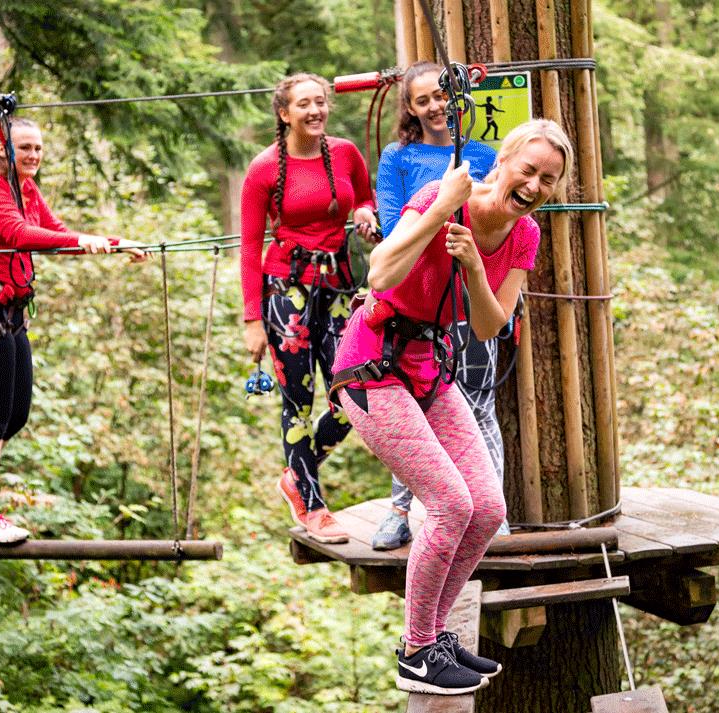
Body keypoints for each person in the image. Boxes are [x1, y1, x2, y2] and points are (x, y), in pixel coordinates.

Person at [332, 120, 573, 694]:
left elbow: (490, 324)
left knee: (487, 507)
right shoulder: (440, 197)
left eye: (548, 179)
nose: (534, 184)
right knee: (448, 501)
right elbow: (382, 273)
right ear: (504, 160)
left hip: (429, 368)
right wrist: (442, 209)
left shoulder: (524, 236)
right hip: (373, 365)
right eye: (528, 169)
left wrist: (471, 267)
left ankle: (434, 635)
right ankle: (417, 651)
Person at [0, 119, 145, 544]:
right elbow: (20, 235)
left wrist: (112, 244)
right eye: (24, 147)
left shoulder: (24, 190)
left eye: (39, 148)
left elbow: (56, 233)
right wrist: (85, 240)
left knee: (14, 415)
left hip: (8, 314)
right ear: (3, 149)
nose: (34, 155)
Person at [371, 62, 507, 551]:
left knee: (480, 400)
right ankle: (400, 510)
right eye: (424, 99)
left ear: (461, 98)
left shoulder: (482, 155)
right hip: (417, 294)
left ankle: (493, 512)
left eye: (443, 96)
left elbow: (496, 220)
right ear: (410, 107)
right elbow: (392, 223)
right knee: (415, 402)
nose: (435, 107)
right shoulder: (399, 157)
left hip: (469, 289)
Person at [239, 72, 379, 543]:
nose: (316, 110)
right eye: (304, 104)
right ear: (284, 114)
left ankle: (298, 472)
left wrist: (363, 211)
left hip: (338, 284)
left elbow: (365, 196)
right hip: (285, 290)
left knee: (354, 394)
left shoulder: (344, 154)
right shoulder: (263, 170)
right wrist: (253, 319)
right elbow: (248, 246)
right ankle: (314, 508)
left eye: (320, 102)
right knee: (297, 402)